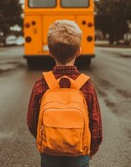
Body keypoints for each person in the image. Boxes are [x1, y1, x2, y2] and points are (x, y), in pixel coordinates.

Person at [27, 20, 103, 167]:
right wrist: (91, 149)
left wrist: (47, 138)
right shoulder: (86, 85)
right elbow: (96, 124)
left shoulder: (42, 84)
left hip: (49, 150)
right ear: (79, 52)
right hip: (79, 151)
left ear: (49, 52)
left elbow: (32, 121)